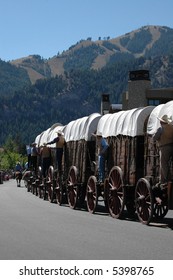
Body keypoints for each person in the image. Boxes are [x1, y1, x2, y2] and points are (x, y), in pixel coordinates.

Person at [153, 114, 173, 188]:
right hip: (171, 146)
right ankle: (163, 180)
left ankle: (167, 179)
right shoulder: (172, 127)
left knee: (163, 163)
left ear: (161, 122)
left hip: (164, 147)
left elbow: (154, 138)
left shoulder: (160, 129)